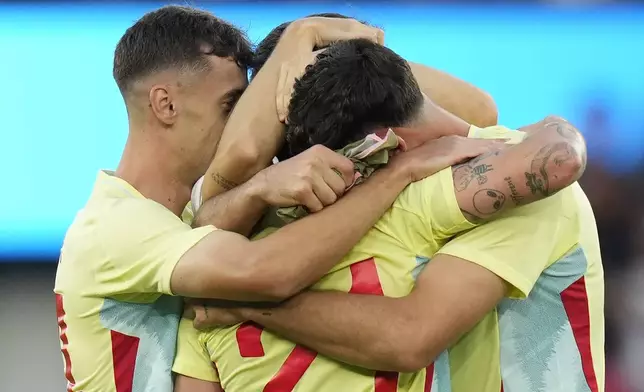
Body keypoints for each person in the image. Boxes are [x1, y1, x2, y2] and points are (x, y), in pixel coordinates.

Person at [53, 8, 497, 392]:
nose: (253, 126)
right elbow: (265, 274)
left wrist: (364, 61)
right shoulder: (115, 227)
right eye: (232, 106)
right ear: (166, 105)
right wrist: (301, 35)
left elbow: (478, 113)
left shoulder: (188, 217)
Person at [173, 37, 594, 392]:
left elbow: (410, 337)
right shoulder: (376, 197)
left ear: (373, 147)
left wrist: (247, 304)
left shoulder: (508, 183)